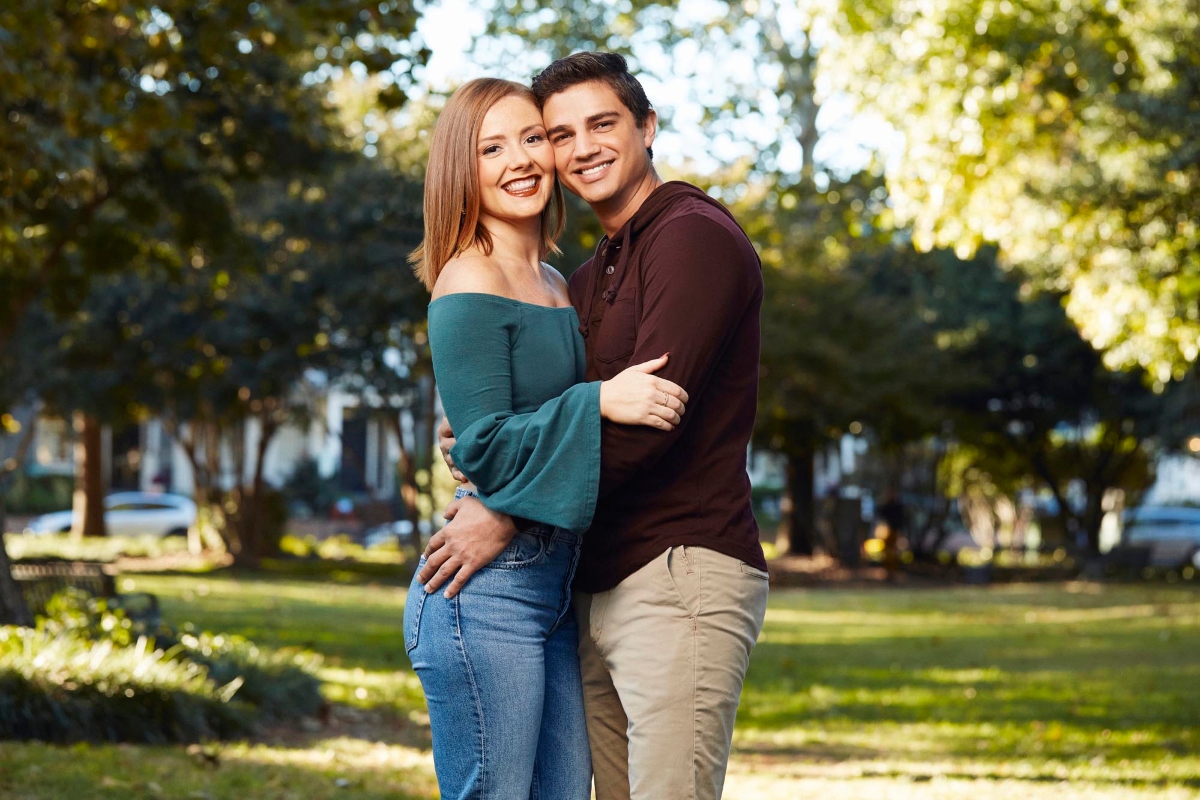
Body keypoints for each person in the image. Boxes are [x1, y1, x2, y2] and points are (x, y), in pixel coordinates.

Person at [421, 54, 770, 800]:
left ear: (647, 126)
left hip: (678, 568)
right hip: (583, 582)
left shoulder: (689, 237)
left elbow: (653, 422)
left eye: (602, 124)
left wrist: (505, 508)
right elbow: (504, 430)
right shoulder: (585, 276)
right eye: (560, 132)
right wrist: (515, 448)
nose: (577, 149)